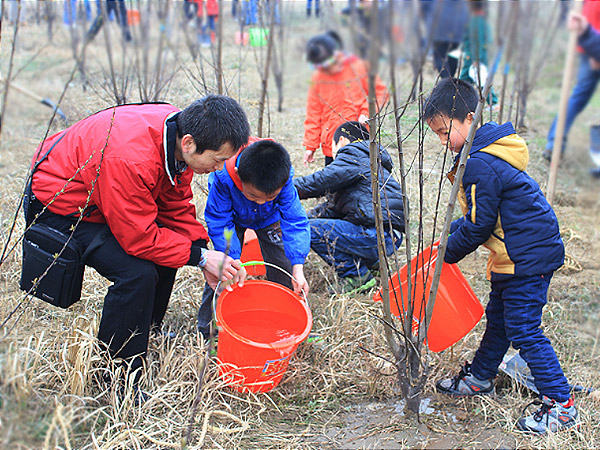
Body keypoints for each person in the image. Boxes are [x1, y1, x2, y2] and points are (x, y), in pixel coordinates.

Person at [28, 95, 250, 398]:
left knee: (173, 248)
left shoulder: (177, 132)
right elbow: (138, 238)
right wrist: (200, 258)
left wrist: (199, 248)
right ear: (188, 144)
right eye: (217, 160)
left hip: (105, 195)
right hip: (62, 205)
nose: (220, 168)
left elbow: (174, 203)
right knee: (137, 273)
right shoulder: (131, 158)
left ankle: (144, 331)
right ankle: (116, 378)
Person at [424, 78, 578, 434]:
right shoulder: (480, 155)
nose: (443, 141)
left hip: (528, 256)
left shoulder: (480, 163)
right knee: (499, 320)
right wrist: (446, 237)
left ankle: (561, 404)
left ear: (469, 118)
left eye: (446, 132)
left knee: (524, 328)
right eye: (437, 135)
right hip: (515, 255)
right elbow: (478, 215)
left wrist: (445, 254)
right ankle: (480, 376)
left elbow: (478, 226)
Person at [197, 139, 310, 339]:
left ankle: (286, 323)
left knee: (284, 267)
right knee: (224, 270)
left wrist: (298, 267)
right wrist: (233, 257)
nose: (260, 201)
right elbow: (220, 219)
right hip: (233, 218)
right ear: (240, 175)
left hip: (269, 218)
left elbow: (294, 220)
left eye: (269, 197)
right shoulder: (223, 177)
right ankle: (209, 331)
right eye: (253, 195)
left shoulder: (282, 179)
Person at [294, 121, 404, 294]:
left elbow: (319, 181)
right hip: (390, 236)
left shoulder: (354, 153)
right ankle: (371, 264)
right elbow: (331, 210)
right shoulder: (368, 163)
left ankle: (356, 276)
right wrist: (300, 218)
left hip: (377, 234)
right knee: (318, 226)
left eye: (332, 146)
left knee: (311, 230)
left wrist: (283, 188)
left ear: (343, 141)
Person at [303, 31, 388, 167]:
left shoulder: (359, 67)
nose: (330, 69)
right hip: (332, 145)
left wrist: (367, 112)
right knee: (333, 182)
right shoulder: (318, 78)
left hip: (358, 140)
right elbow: (313, 114)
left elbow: (380, 91)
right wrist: (310, 146)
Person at [544, 0, 600, 162]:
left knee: (578, 96)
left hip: (593, 47)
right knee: (579, 96)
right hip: (592, 51)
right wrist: (594, 53)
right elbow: (589, 18)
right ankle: (555, 142)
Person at [458, 0, 498, 105]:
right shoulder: (479, 20)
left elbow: (477, 41)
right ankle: (461, 101)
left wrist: (476, 59)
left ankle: (492, 102)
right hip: (476, 55)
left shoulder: (476, 21)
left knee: (477, 80)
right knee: (467, 81)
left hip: (473, 56)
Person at [423, 0, 469, 79]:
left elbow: (423, 6)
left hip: (439, 27)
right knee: (453, 55)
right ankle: (450, 82)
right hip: (457, 27)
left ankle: (448, 81)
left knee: (439, 56)